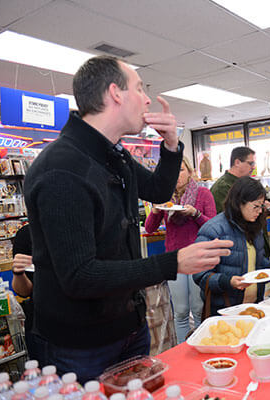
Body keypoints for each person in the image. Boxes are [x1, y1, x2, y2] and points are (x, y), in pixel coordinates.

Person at [24, 56, 232, 382]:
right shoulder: (61, 169)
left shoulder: (114, 154)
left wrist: (172, 145)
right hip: (79, 344)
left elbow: (158, 188)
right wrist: (173, 262)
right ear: (115, 93)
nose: (148, 99)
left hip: (129, 327)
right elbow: (80, 276)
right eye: (139, 88)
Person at [144, 157, 216, 343]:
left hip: (198, 256)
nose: (177, 176)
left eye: (181, 170)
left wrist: (195, 214)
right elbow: (150, 228)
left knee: (198, 308)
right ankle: (185, 349)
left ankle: (202, 344)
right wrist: (155, 209)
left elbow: (214, 226)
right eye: (173, 172)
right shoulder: (164, 197)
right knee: (181, 310)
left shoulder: (203, 194)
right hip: (174, 259)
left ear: (190, 172)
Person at [194, 177, 270, 316]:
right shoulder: (213, 230)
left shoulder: (254, 226)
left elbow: (256, 261)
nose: (260, 211)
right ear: (239, 203)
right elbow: (200, 275)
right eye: (256, 206)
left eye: (262, 206)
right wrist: (228, 281)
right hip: (225, 309)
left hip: (252, 306)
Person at [10, 223, 36, 356]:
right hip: (40, 323)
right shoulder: (27, 234)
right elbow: (23, 291)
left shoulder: (83, 230)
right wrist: (18, 273)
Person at [210, 147, 255, 214]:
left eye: (253, 164)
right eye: (251, 164)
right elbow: (230, 216)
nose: (253, 167)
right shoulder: (222, 187)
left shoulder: (243, 183)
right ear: (237, 162)